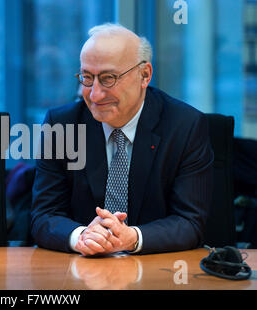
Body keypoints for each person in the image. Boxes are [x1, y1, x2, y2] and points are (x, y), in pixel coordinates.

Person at [30, 23, 214, 256]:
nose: (95, 94)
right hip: (81, 270)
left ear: (144, 75)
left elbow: (190, 222)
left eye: (108, 78)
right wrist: (82, 236)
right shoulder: (62, 124)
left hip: (156, 273)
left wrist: (132, 238)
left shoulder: (185, 126)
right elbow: (43, 215)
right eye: (87, 78)